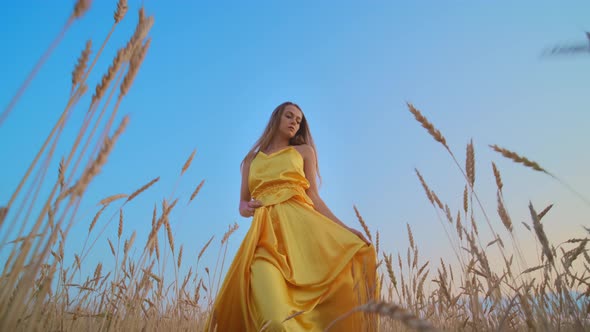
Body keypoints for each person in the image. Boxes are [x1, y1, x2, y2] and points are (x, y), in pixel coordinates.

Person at [206, 102, 379, 331]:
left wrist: (346, 229)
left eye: (298, 121)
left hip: (303, 237)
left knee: (353, 261)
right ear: (276, 118)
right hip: (265, 239)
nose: (294, 123)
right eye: (289, 116)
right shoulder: (250, 160)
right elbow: (242, 202)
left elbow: (314, 198)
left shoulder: (304, 152)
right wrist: (246, 207)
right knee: (275, 321)